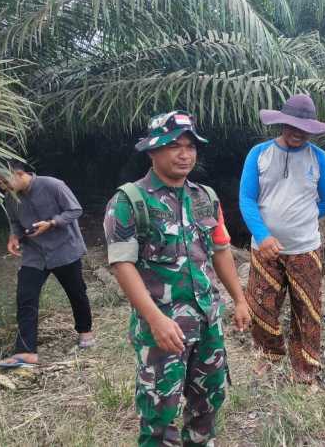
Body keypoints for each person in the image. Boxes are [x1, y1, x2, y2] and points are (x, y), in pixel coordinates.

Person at [104, 110, 251, 447]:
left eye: (190, 146)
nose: (185, 154)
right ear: (153, 151)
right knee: (159, 413)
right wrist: (155, 320)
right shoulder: (129, 201)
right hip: (162, 330)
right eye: (174, 146)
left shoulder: (205, 197)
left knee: (208, 402)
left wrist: (239, 300)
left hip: (207, 323)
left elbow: (220, 249)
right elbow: (122, 266)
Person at [239, 93, 325, 386]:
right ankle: (269, 356)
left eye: (303, 128)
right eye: (291, 125)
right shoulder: (259, 154)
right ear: (281, 123)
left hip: (305, 250)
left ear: (311, 129)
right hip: (264, 249)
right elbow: (246, 198)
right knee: (261, 306)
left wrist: (303, 217)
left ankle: (305, 371)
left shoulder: (319, 159)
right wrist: (263, 235)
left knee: (307, 311)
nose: (297, 132)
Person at [0, 161, 94, 368]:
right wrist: (14, 237)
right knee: (26, 296)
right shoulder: (10, 198)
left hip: (64, 249)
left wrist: (52, 223)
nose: (4, 187)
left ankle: (86, 332)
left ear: (20, 173)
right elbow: (15, 221)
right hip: (34, 254)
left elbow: (75, 210)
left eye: (5, 182)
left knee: (76, 292)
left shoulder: (52, 185)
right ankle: (26, 352)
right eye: (0, 184)